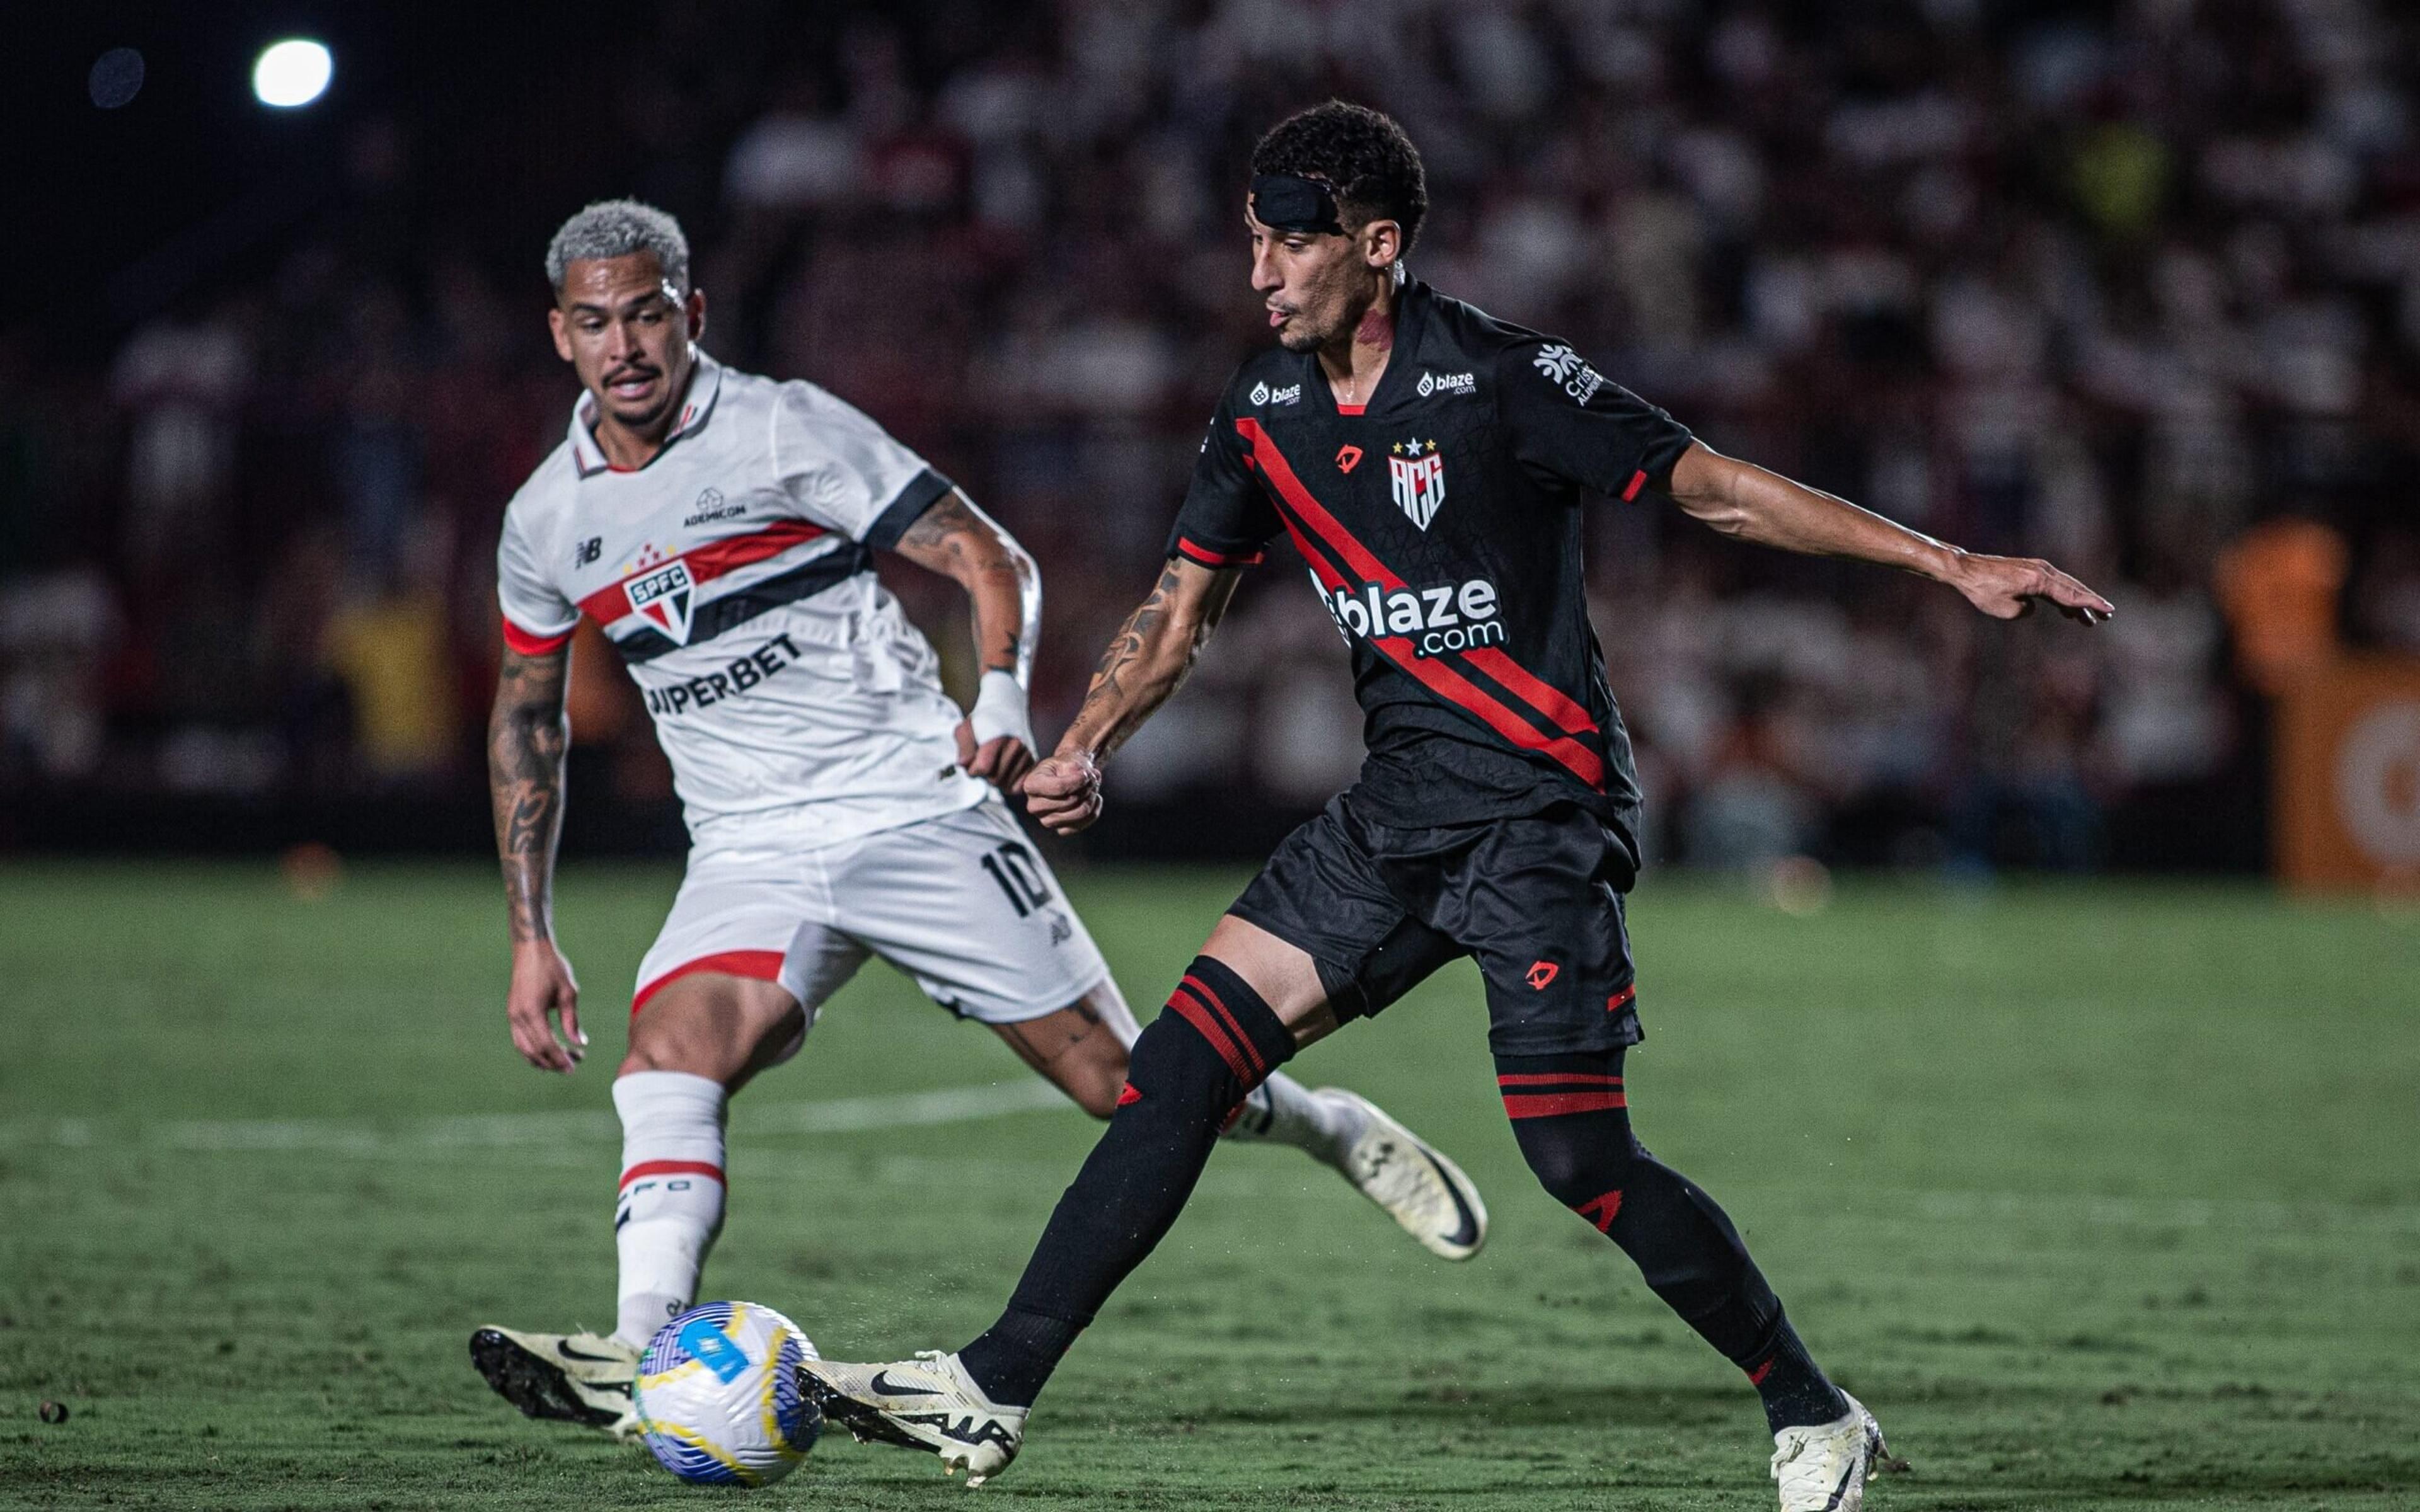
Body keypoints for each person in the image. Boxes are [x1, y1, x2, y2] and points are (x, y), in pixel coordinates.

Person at [797, 104, 2113, 1511]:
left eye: (1290, 243)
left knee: (1576, 1157)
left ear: (1377, 246)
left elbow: (1716, 493)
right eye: (1251, 241)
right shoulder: (1266, 411)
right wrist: (1086, 740)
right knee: (1174, 1072)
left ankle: (1812, 1411)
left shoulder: (1500, 379)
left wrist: (1948, 559)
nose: (1261, 272)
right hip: (1394, 819)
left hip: (1539, 817)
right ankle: (988, 1389)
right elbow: (1183, 609)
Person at [467, 198, 1490, 1437]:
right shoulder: (543, 522)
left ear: (690, 313)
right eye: (594, 322)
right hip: (749, 845)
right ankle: (635, 1351)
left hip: (914, 808)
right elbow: (529, 716)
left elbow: (986, 556)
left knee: (1125, 1087)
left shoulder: (782, 425)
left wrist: (999, 695)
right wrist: (532, 930)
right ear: (559, 335)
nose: (623, 344)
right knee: (669, 1059)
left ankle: (1332, 1129)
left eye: (644, 315)